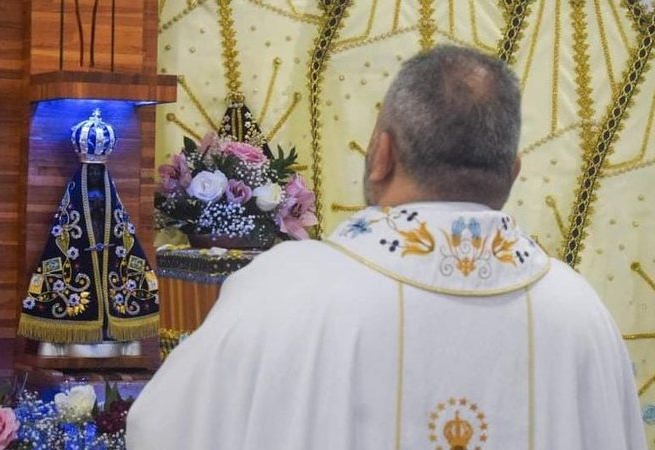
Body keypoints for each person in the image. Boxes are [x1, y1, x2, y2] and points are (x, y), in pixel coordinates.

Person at [126, 45, 646, 450]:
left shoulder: (282, 289)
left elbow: (160, 430)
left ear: (382, 154)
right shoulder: (580, 313)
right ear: (510, 174)